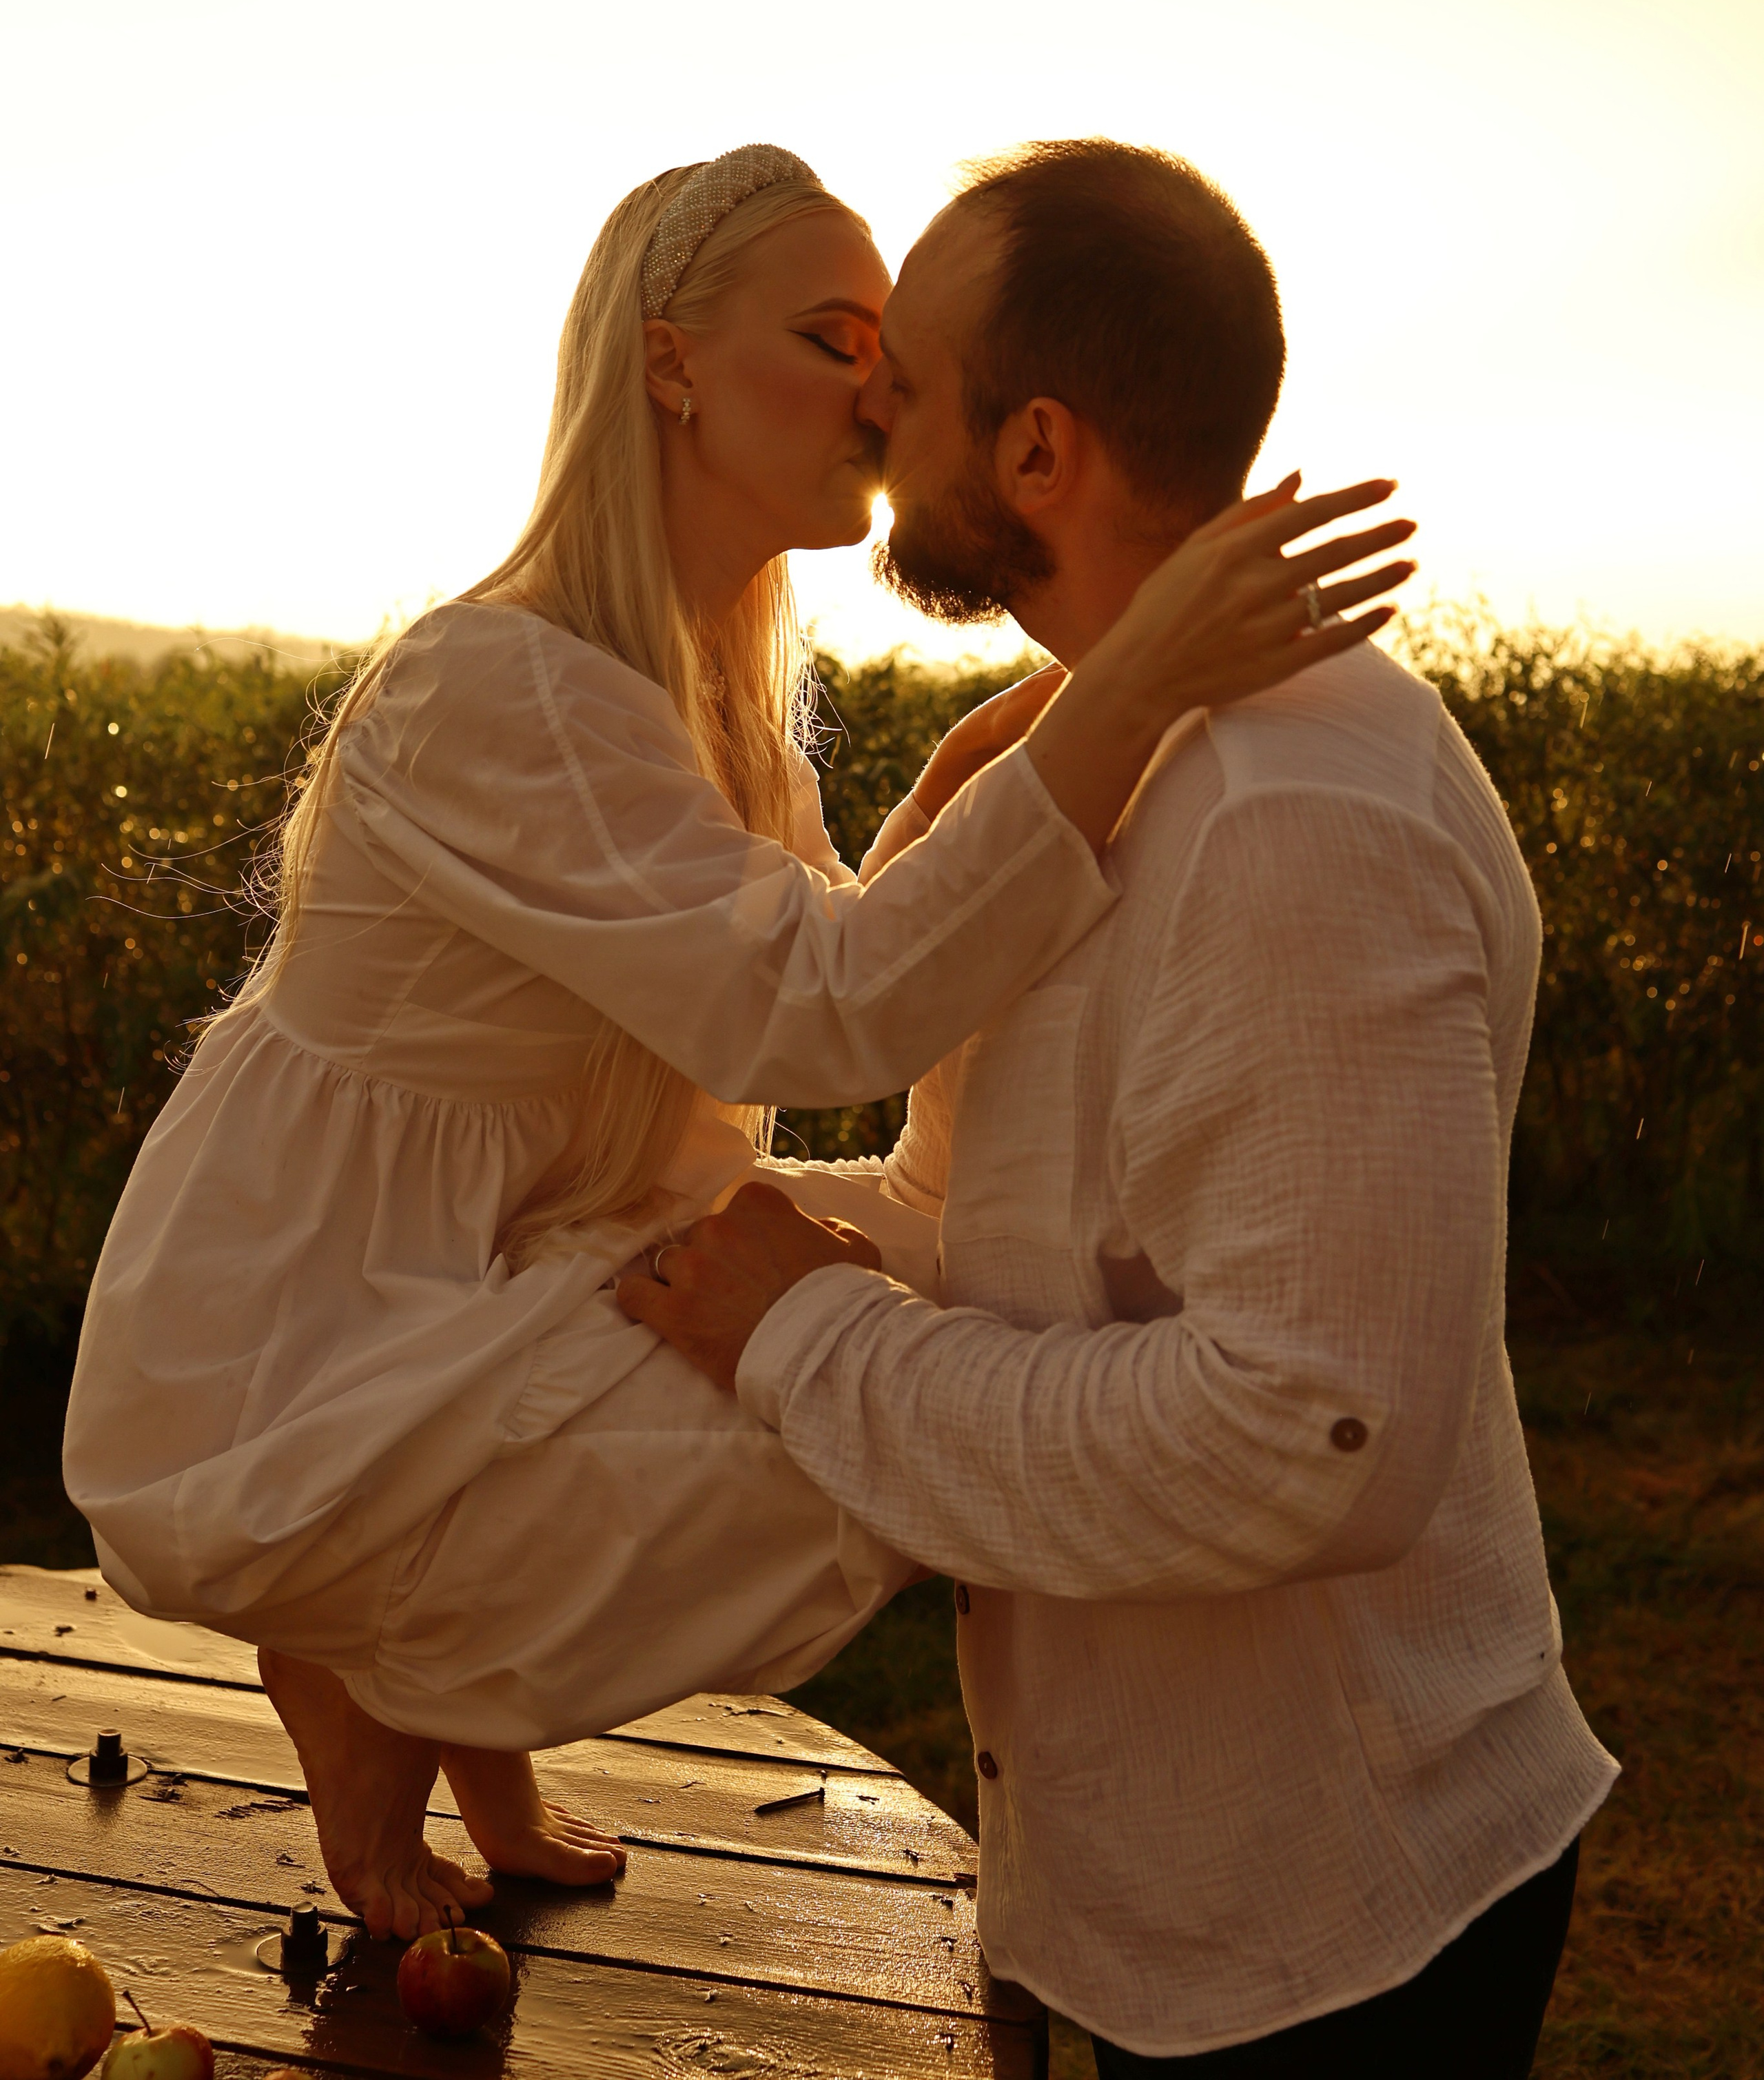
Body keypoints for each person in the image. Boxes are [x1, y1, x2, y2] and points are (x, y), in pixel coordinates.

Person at [63, 143, 1411, 1948]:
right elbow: (820, 1006)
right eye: (837, 340)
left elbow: (805, 949)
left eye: (893, 356)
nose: (880, 395)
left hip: (513, 1243)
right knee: (842, 1424)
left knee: (875, 1308)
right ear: (672, 362)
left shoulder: (698, 691)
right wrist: (1132, 685)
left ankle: (446, 1704)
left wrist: (988, 781)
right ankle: (363, 1647)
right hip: (324, 1320)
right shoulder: (502, 685)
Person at [622, 141, 1619, 2080]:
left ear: (1040, 453)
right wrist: (650, 1227)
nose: (867, 413)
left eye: (907, 379)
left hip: (1332, 1916)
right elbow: (1003, 1222)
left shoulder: (1289, 821)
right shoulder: (1108, 760)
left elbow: (1309, 1434)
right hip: (1185, 1886)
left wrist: (806, 1337)